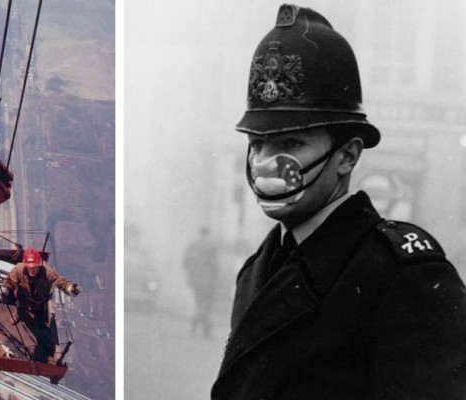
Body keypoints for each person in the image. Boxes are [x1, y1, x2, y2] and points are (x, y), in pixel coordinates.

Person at [211, 5, 466, 399]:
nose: (264, 162)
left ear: (347, 155)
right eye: (257, 143)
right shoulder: (258, 269)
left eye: (290, 142)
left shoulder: (400, 273)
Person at [0, 247, 82, 362]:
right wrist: (5, 290)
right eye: (29, 267)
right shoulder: (19, 269)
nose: (31, 270)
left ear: (39, 264)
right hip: (23, 298)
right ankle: (19, 314)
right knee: (21, 309)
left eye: (34, 267)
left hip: (39, 302)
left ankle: (40, 336)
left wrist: (71, 288)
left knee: (39, 319)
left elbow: (61, 282)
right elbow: (9, 281)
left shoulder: (48, 272)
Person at [183, 226, 219, 339]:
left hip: (196, 281)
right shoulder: (212, 246)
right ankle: (204, 328)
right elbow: (215, 265)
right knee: (206, 305)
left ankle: (196, 325)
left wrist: (192, 275)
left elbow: (186, 263)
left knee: (199, 303)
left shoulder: (192, 245)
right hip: (208, 281)